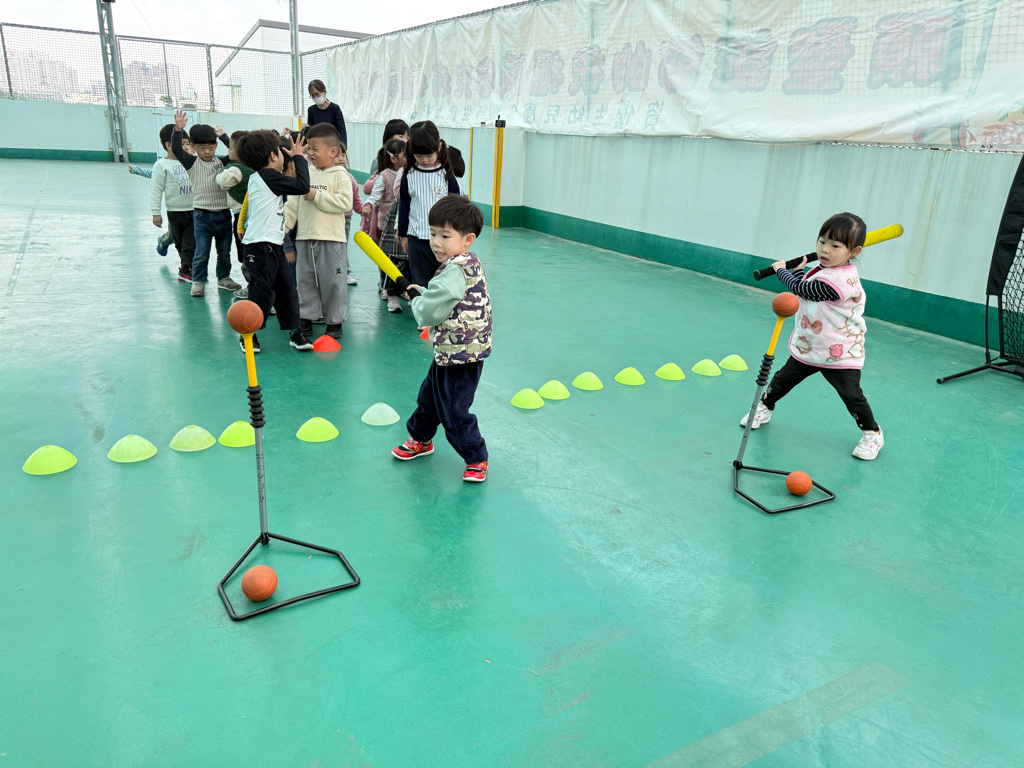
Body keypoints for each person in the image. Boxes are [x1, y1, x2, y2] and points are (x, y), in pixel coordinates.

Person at [742, 212, 884, 460]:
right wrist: (799, 270)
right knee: (782, 380)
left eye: (835, 246)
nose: (825, 250)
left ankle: (872, 433)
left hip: (839, 353)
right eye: (822, 242)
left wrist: (780, 270)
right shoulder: (825, 269)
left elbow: (803, 289)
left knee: (852, 397)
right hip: (812, 346)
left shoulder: (841, 281)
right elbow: (807, 287)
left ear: (854, 251)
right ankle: (764, 407)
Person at [392, 195, 491, 483]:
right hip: (452, 350)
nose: (436, 242)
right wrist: (423, 293)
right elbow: (446, 299)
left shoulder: (453, 271)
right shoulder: (467, 261)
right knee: (430, 397)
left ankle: (476, 456)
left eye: (445, 236)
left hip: (461, 356)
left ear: (468, 239)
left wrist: (417, 301)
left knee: (454, 410)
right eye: (433, 233)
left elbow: (429, 312)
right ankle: (421, 439)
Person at [236, 129, 314, 353]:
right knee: (261, 292)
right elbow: (303, 186)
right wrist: (298, 157)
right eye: (281, 153)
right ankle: (248, 334)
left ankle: (295, 331)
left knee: (287, 290)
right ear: (273, 156)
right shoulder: (268, 177)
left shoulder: (261, 177)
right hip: (259, 247)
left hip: (273, 244)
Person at [284, 123, 353, 341]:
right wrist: (283, 228)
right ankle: (306, 318)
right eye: (309, 149)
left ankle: (334, 321)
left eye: (315, 149)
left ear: (333, 151)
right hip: (305, 237)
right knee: (305, 281)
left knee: (333, 282)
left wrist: (315, 195)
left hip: (332, 239)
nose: (311, 153)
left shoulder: (340, 175)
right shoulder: (305, 173)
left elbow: (345, 202)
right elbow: (293, 204)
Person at [170, 110, 242, 297]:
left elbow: (237, 153)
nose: (208, 152)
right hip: (202, 216)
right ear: (194, 147)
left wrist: (224, 137)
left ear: (216, 146)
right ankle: (198, 280)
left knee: (224, 251)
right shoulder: (191, 162)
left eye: (211, 147)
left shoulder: (221, 162)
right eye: (202, 148)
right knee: (201, 252)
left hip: (223, 215)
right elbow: (177, 149)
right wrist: (178, 130)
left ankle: (223, 278)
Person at [397, 121, 461, 288]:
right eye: (419, 156)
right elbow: (404, 205)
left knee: (443, 280)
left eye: (429, 155)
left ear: (439, 147)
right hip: (417, 239)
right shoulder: (409, 174)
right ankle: (421, 304)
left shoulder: (446, 174)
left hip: (444, 238)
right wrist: (403, 234)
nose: (424, 160)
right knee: (420, 280)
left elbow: (457, 204)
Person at [363, 137, 407, 312]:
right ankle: (385, 284)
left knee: (402, 259)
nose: (408, 158)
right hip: (386, 225)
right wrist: (368, 205)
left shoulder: (408, 172)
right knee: (386, 258)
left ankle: (402, 286)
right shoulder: (384, 176)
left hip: (403, 224)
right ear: (394, 158)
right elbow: (375, 194)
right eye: (405, 155)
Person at [149, 123, 195, 282]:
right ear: (169, 145)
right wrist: (156, 212)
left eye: (187, 144)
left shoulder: (191, 161)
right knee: (180, 242)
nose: (186, 147)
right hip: (175, 212)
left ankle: (186, 268)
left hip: (195, 209)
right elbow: (156, 190)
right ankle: (186, 264)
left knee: (190, 242)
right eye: (182, 144)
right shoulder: (161, 165)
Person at [215, 130, 254, 297]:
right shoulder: (254, 165)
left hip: (241, 215)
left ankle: (252, 287)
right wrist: (225, 137)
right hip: (257, 213)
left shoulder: (235, 169)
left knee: (246, 254)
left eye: (229, 148)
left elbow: (222, 182)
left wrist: (220, 173)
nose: (228, 151)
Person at [335, 142, 363, 286]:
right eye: (337, 155)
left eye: (343, 155)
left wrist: (362, 211)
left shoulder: (349, 177)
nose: (341, 158)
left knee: (342, 245)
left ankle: (344, 272)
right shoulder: (326, 175)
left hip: (345, 218)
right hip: (330, 218)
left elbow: (355, 197)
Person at [305, 79, 347, 148]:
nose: (315, 97)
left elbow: (342, 130)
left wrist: (342, 148)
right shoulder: (311, 110)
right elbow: (311, 131)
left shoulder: (335, 108)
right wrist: (307, 129)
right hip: (318, 146)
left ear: (324, 92)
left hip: (333, 145)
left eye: (317, 94)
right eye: (312, 95)